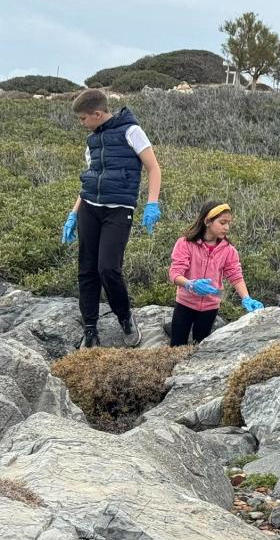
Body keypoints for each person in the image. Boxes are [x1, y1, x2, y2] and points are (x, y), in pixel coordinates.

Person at [63, 89, 162, 350]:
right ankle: (90, 329)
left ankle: (125, 318)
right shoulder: (92, 141)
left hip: (118, 209)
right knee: (86, 269)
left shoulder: (132, 131)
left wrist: (152, 203)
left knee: (108, 268)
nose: (82, 123)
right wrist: (74, 213)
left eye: (84, 118)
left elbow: (153, 168)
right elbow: (90, 178)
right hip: (89, 209)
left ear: (97, 114)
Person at [167, 201, 264, 346]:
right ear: (207, 221)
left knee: (201, 346)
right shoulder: (185, 243)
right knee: (176, 345)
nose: (227, 227)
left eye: (229, 223)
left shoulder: (228, 250)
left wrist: (246, 298)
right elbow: (174, 273)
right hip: (185, 303)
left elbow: (235, 275)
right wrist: (189, 284)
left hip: (210, 306)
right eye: (222, 222)